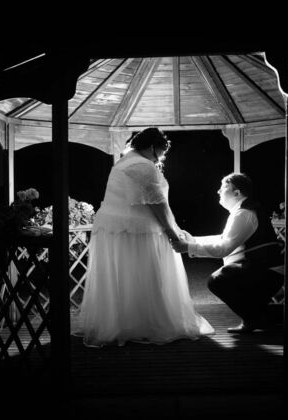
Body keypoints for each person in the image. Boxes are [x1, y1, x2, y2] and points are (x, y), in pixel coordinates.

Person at [72, 127, 214, 347]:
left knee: (128, 277)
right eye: (160, 152)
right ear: (150, 147)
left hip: (114, 229)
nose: (161, 158)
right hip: (138, 230)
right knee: (146, 275)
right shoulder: (142, 166)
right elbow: (158, 205)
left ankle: (126, 323)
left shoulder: (124, 162)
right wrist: (172, 232)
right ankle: (147, 324)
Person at [171, 173, 284, 334]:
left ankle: (254, 319)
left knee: (218, 280)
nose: (218, 191)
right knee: (227, 279)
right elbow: (224, 238)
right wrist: (192, 240)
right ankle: (268, 315)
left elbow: (224, 248)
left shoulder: (244, 214)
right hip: (263, 269)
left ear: (237, 193)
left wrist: (188, 247)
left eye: (223, 188)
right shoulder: (242, 211)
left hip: (268, 273)